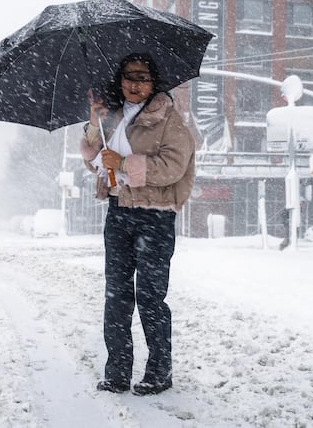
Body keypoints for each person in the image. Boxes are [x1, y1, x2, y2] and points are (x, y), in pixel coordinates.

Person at [80, 53, 195, 396]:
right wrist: (92, 125)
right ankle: (117, 373)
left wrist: (126, 162)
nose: (134, 83)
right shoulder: (112, 117)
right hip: (118, 212)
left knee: (150, 297)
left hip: (155, 215)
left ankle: (159, 372)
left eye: (142, 77)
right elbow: (97, 165)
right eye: (129, 76)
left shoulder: (168, 119)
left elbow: (173, 167)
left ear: (153, 82)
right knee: (116, 296)